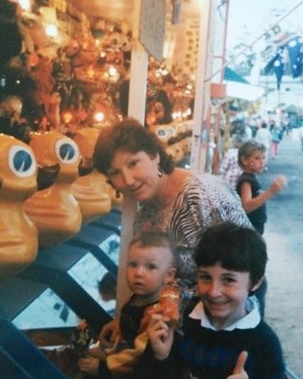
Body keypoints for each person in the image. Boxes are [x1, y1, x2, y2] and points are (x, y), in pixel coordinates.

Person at [93, 118, 252, 341]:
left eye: (133, 163)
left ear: (155, 155)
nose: (127, 180)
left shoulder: (204, 195)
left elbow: (248, 265)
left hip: (224, 332)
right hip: (180, 339)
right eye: (115, 173)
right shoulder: (144, 218)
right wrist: (127, 321)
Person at [151, 222, 286, 379]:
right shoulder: (181, 321)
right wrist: (160, 358)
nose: (214, 292)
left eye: (229, 279)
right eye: (205, 277)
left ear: (255, 282)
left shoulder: (264, 343)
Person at [78, 232, 179, 379]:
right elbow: (128, 334)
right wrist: (111, 346)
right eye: (133, 264)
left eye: (150, 267)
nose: (138, 273)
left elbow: (137, 357)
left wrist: (102, 367)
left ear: (169, 275)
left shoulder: (158, 316)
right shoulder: (137, 299)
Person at [236, 140, 287, 235]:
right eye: (257, 158)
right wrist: (270, 192)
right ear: (245, 160)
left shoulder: (250, 178)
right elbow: (247, 206)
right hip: (250, 229)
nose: (262, 162)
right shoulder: (246, 181)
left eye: (263, 158)